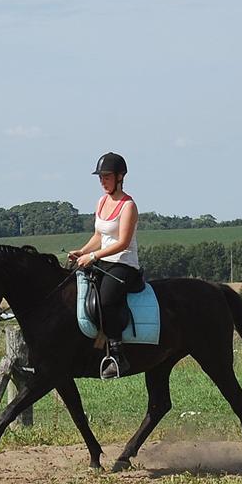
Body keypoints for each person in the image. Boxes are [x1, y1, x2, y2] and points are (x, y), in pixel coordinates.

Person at [68, 152, 143, 379]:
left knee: (107, 299)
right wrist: (82, 251)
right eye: (100, 177)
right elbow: (99, 236)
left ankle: (117, 355)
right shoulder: (102, 202)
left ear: (120, 176)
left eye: (106, 176)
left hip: (123, 264)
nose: (102, 181)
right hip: (102, 259)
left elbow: (122, 243)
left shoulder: (128, 205)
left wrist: (93, 257)